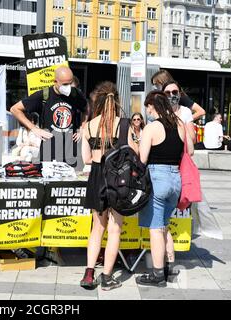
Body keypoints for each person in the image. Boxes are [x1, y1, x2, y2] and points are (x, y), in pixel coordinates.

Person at [80, 81, 138, 290]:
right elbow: (135, 154)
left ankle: (88, 273)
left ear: (98, 101)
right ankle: (106, 277)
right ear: (116, 101)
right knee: (115, 229)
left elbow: (86, 158)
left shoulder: (88, 126)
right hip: (117, 180)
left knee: (97, 228)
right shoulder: (124, 124)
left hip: (96, 176)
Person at [136, 90, 194, 287]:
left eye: (148, 108)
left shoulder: (152, 128)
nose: (148, 112)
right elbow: (189, 150)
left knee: (155, 229)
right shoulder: (179, 124)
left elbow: (142, 159)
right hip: (175, 179)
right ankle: (168, 268)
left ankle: (157, 274)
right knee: (164, 225)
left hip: (157, 177)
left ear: (153, 106)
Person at [10, 66, 88, 167]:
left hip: (72, 155)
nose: (68, 87)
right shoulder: (44, 95)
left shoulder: (75, 94)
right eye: (65, 84)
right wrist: (34, 128)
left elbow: (86, 108)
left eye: (70, 83)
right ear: (55, 81)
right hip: (49, 155)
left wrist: (82, 128)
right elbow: (15, 109)